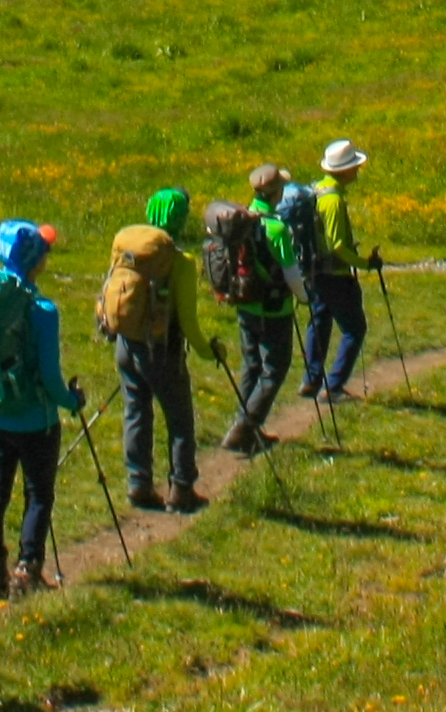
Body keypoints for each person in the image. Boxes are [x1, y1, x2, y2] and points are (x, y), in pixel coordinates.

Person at [0, 220, 88, 597]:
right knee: (38, 495)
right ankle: (27, 571)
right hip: (36, 422)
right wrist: (72, 401)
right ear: (37, 261)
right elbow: (49, 375)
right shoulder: (42, 309)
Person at [101, 189, 230, 511]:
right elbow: (187, 321)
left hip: (125, 343)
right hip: (161, 352)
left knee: (136, 412)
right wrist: (209, 352)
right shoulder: (180, 261)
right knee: (180, 420)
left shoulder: (125, 243)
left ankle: (138, 485)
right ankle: (181, 490)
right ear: (180, 218)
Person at [211, 166, 297, 456]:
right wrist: (305, 297)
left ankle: (244, 427)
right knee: (275, 367)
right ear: (277, 192)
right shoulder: (277, 227)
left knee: (251, 365)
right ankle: (245, 427)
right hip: (275, 308)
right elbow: (291, 273)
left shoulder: (241, 220)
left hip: (245, 302)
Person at [301, 140, 375, 405]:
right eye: (354, 166)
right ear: (344, 171)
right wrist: (364, 264)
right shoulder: (333, 200)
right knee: (355, 329)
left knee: (319, 321)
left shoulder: (317, 190)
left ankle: (310, 380)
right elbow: (337, 246)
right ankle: (333, 387)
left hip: (314, 271)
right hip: (335, 274)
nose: (357, 171)